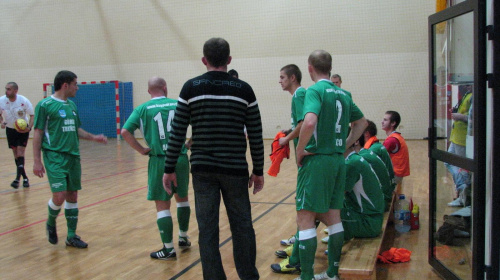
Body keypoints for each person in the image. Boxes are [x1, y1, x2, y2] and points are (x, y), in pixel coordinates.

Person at [163, 38, 264, 280]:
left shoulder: (190, 88)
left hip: (202, 169)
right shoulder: (245, 89)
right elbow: (256, 133)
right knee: (242, 227)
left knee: (207, 230)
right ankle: (249, 276)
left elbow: (177, 131)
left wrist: (169, 168)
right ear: (229, 60)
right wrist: (258, 170)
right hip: (235, 169)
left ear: (204, 60)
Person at [294, 50, 367, 280]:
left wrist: (299, 149)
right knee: (333, 216)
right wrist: (345, 144)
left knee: (305, 217)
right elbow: (362, 123)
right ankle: (332, 272)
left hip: (317, 160)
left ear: (309, 68)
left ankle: (306, 277)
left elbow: (310, 121)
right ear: (330, 67)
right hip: (337, 160)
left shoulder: (314, 90)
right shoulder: (344, 94)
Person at [32, 70, 108, 249]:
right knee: (59, 195)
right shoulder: (45, 105)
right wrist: (36, 160)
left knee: (72, 195)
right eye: (75, 84)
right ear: (65, 85)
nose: (77, 87)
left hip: (73, 156)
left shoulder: (72, 106)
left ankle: (71, 236)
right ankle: (51, 221)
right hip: (54, 156)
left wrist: (93, 137)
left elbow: (76, 130)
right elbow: (38, 133)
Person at [121, 76, 191, 260]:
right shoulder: (178, 104)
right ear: (165, 87)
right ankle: (183, 238)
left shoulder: (143, 109)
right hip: (181, 158)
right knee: (182, 199)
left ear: (149, 91)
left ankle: (168, 249)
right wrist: (189, 143)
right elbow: (200, 125)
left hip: (160, 160)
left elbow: (125, 131)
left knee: (162, 204)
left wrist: (142, 149)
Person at [270, 64, 306, 274]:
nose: (279, 80)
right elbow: (299, 124)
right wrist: (290, 130)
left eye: (282, 77)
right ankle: (299, 242)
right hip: (306, 157)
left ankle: (299, 252)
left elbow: (304, 124)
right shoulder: (298, 96)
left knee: (305, 207)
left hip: (308, 158)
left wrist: (286, 139)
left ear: (293, 77)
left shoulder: (299, 95)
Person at [0, 82, 34, 188]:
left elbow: (32, 115)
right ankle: (25, 178)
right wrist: (2, 122)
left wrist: (29, 128)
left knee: (20, 152)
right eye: (6, 89)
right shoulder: (1, 101)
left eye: (9, 89)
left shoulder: (23, 101)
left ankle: (17, 179)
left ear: (15, 91)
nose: (6, 91)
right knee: (16, 154)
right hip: (10, 130)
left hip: (22, 130)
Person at [446, 85, 472, 206]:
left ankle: (464, 199)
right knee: (448, 161)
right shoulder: (467, 94)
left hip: (463, 140)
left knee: (463, 169)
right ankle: (461, 189)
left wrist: (460, 117)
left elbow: (474, 118)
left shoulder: (474, 96)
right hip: (455, 137)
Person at [363, 120, 396, 200]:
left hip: (384, 195)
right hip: (389, 188)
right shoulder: (376, 145)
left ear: (367, 133)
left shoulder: (372, 150)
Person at [381, 111, 410, 185]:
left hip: (395, 174)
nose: (382, 122)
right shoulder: (396, 136)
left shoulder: (391, 140)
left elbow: (379, 156)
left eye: (385, 120)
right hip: (398, 173)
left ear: (393, 123)